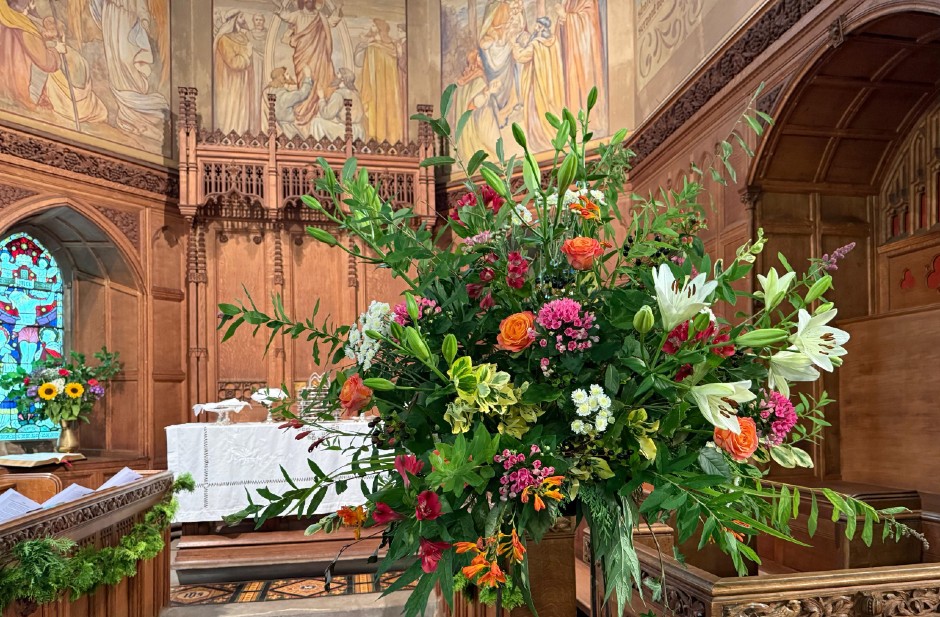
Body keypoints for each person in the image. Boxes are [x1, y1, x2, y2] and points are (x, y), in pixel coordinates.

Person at [90, 0, 169, 139]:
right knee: (116, 62)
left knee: (128, 60)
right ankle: (127, 116)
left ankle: (138, 113)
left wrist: (143, 20)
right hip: (111, 16)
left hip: (130, 18)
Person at [276, 0, 341, 128]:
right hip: (302, 55)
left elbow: (331, 22)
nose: (309, 0)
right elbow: (286, 16)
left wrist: (338, 8)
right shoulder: (298, 15)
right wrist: (279, 6)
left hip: (318, 55)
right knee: (304, 79)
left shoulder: (320, 16)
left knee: (319, 79)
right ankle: (304, 109)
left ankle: (318, 111)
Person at [39, 16, 108, 125]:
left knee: (52, 70)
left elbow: (45, 44)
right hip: (83, 99)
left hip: (73, 102)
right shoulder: (71, 53)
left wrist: (53, 45)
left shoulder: (61, 51)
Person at [513, 16, 563, 151]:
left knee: (536, 111)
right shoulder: (554, 41)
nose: (534, 28)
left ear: (541, 28)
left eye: (537, 26)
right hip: (549, 85)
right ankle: (554, 136)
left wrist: (515, 45)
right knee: (548, 109)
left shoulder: (536, 45)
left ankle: (540, 139)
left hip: (536, 85)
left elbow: (520, 57)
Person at [0, 0, 60, 110]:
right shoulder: (25, 29)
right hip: (20, 96)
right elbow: (48, 63)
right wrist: (55, 49)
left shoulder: (3, 15)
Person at [355, 18, 404, 143]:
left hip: (380, 89)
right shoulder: (389, 47)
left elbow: (366, 67)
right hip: (383, 90)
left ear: (379, 28)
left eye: (373, 25)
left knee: (382, 110)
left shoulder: (375, 48)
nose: (371, 27)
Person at [557, 0, 606, 121]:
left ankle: (590, 118)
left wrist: (567, 17)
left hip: (586, 56)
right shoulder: (568, 2)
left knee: (585, 85)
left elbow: (588, 20)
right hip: (571, 55)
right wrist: (561, 21)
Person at [214, 11, 254, 134]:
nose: (244, 19)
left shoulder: (244, 38)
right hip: (230, 84)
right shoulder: (224, 39)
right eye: (241, 17)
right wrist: (247, 54)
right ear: (234, 20)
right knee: (231, 112)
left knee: (242, 112)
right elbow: (234, 63)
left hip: (243, 84)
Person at [315, 68, 365, 141]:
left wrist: (321, 99)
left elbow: (327, 114)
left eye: (338, 74)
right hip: (359, 131)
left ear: (343, 78)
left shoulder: (339, 94)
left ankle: (319, 147)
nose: (335, 76)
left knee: (316, 122)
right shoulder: (356, 94)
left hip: (345, 131)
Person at [264, 67, 313, 139]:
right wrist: (308, 77)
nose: (288, 76)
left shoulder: (272, 91)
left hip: (281, 127)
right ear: (281, 77)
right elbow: (302, 94)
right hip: (287, 130)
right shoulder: (283, 96)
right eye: (285, 74)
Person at [248, 13, 268, 133]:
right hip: (253, 68)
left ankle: (265, 126)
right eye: (257, 20)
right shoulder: (249, 34)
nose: (259, 22)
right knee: (254, 95)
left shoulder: (268, 34)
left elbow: (267, 48)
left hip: (265, 67)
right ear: (253, 21)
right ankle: (254, 126)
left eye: (261, 19)